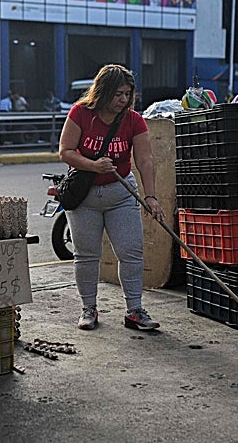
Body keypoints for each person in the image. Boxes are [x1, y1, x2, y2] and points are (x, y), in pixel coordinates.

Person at [58, 64, 165, 332]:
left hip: (121, 194)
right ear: (103, 91)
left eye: (128, 94)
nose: (123, 100)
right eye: (118, 94)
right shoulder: (81, 113)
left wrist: (151, 196)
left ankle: (134, 309)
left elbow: (145, 159)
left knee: (131, 252)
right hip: (84, 196)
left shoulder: (133, 120)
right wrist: (93, 166)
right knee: (86, 255)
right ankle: (88, 308)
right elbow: (65, 151)